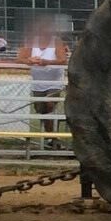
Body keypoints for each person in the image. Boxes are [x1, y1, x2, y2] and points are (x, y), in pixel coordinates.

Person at [17, 17, 69, 150]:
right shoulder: (31, 42)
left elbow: (63, 60)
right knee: (40, 109)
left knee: (49, 104)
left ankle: (52, 138)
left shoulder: (57, 42)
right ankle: (50, 137)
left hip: (54, 82)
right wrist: (29, 60)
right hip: (38, 82)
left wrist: (47, 62)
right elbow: (20, 58)